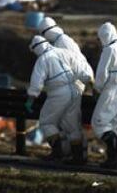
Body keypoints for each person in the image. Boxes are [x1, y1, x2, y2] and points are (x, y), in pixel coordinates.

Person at [25, 35, 91, 164]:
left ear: (37, 48)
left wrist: (31, 98)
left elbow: (36, 83)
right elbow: (81, 70)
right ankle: (79, 157)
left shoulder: (42, 60)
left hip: (58, 92)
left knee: (46, 122)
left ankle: (58, 153)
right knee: (71, 125)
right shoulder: (63, 52)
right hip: (75, 90)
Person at [37, 16, 94, 161]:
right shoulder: (60, 41)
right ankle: (73, 154)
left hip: (72, 86)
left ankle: (74, 156)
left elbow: (76, 64)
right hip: (71, 86)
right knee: (67, 122)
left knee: (68, 122)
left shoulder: (63, 42)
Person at [92, 22, 117, 168]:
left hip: (111, 90)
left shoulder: (109, 50)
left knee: (99, 123)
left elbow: (102, 73)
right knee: (112, 124)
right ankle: (113, 158)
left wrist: (97, 88)